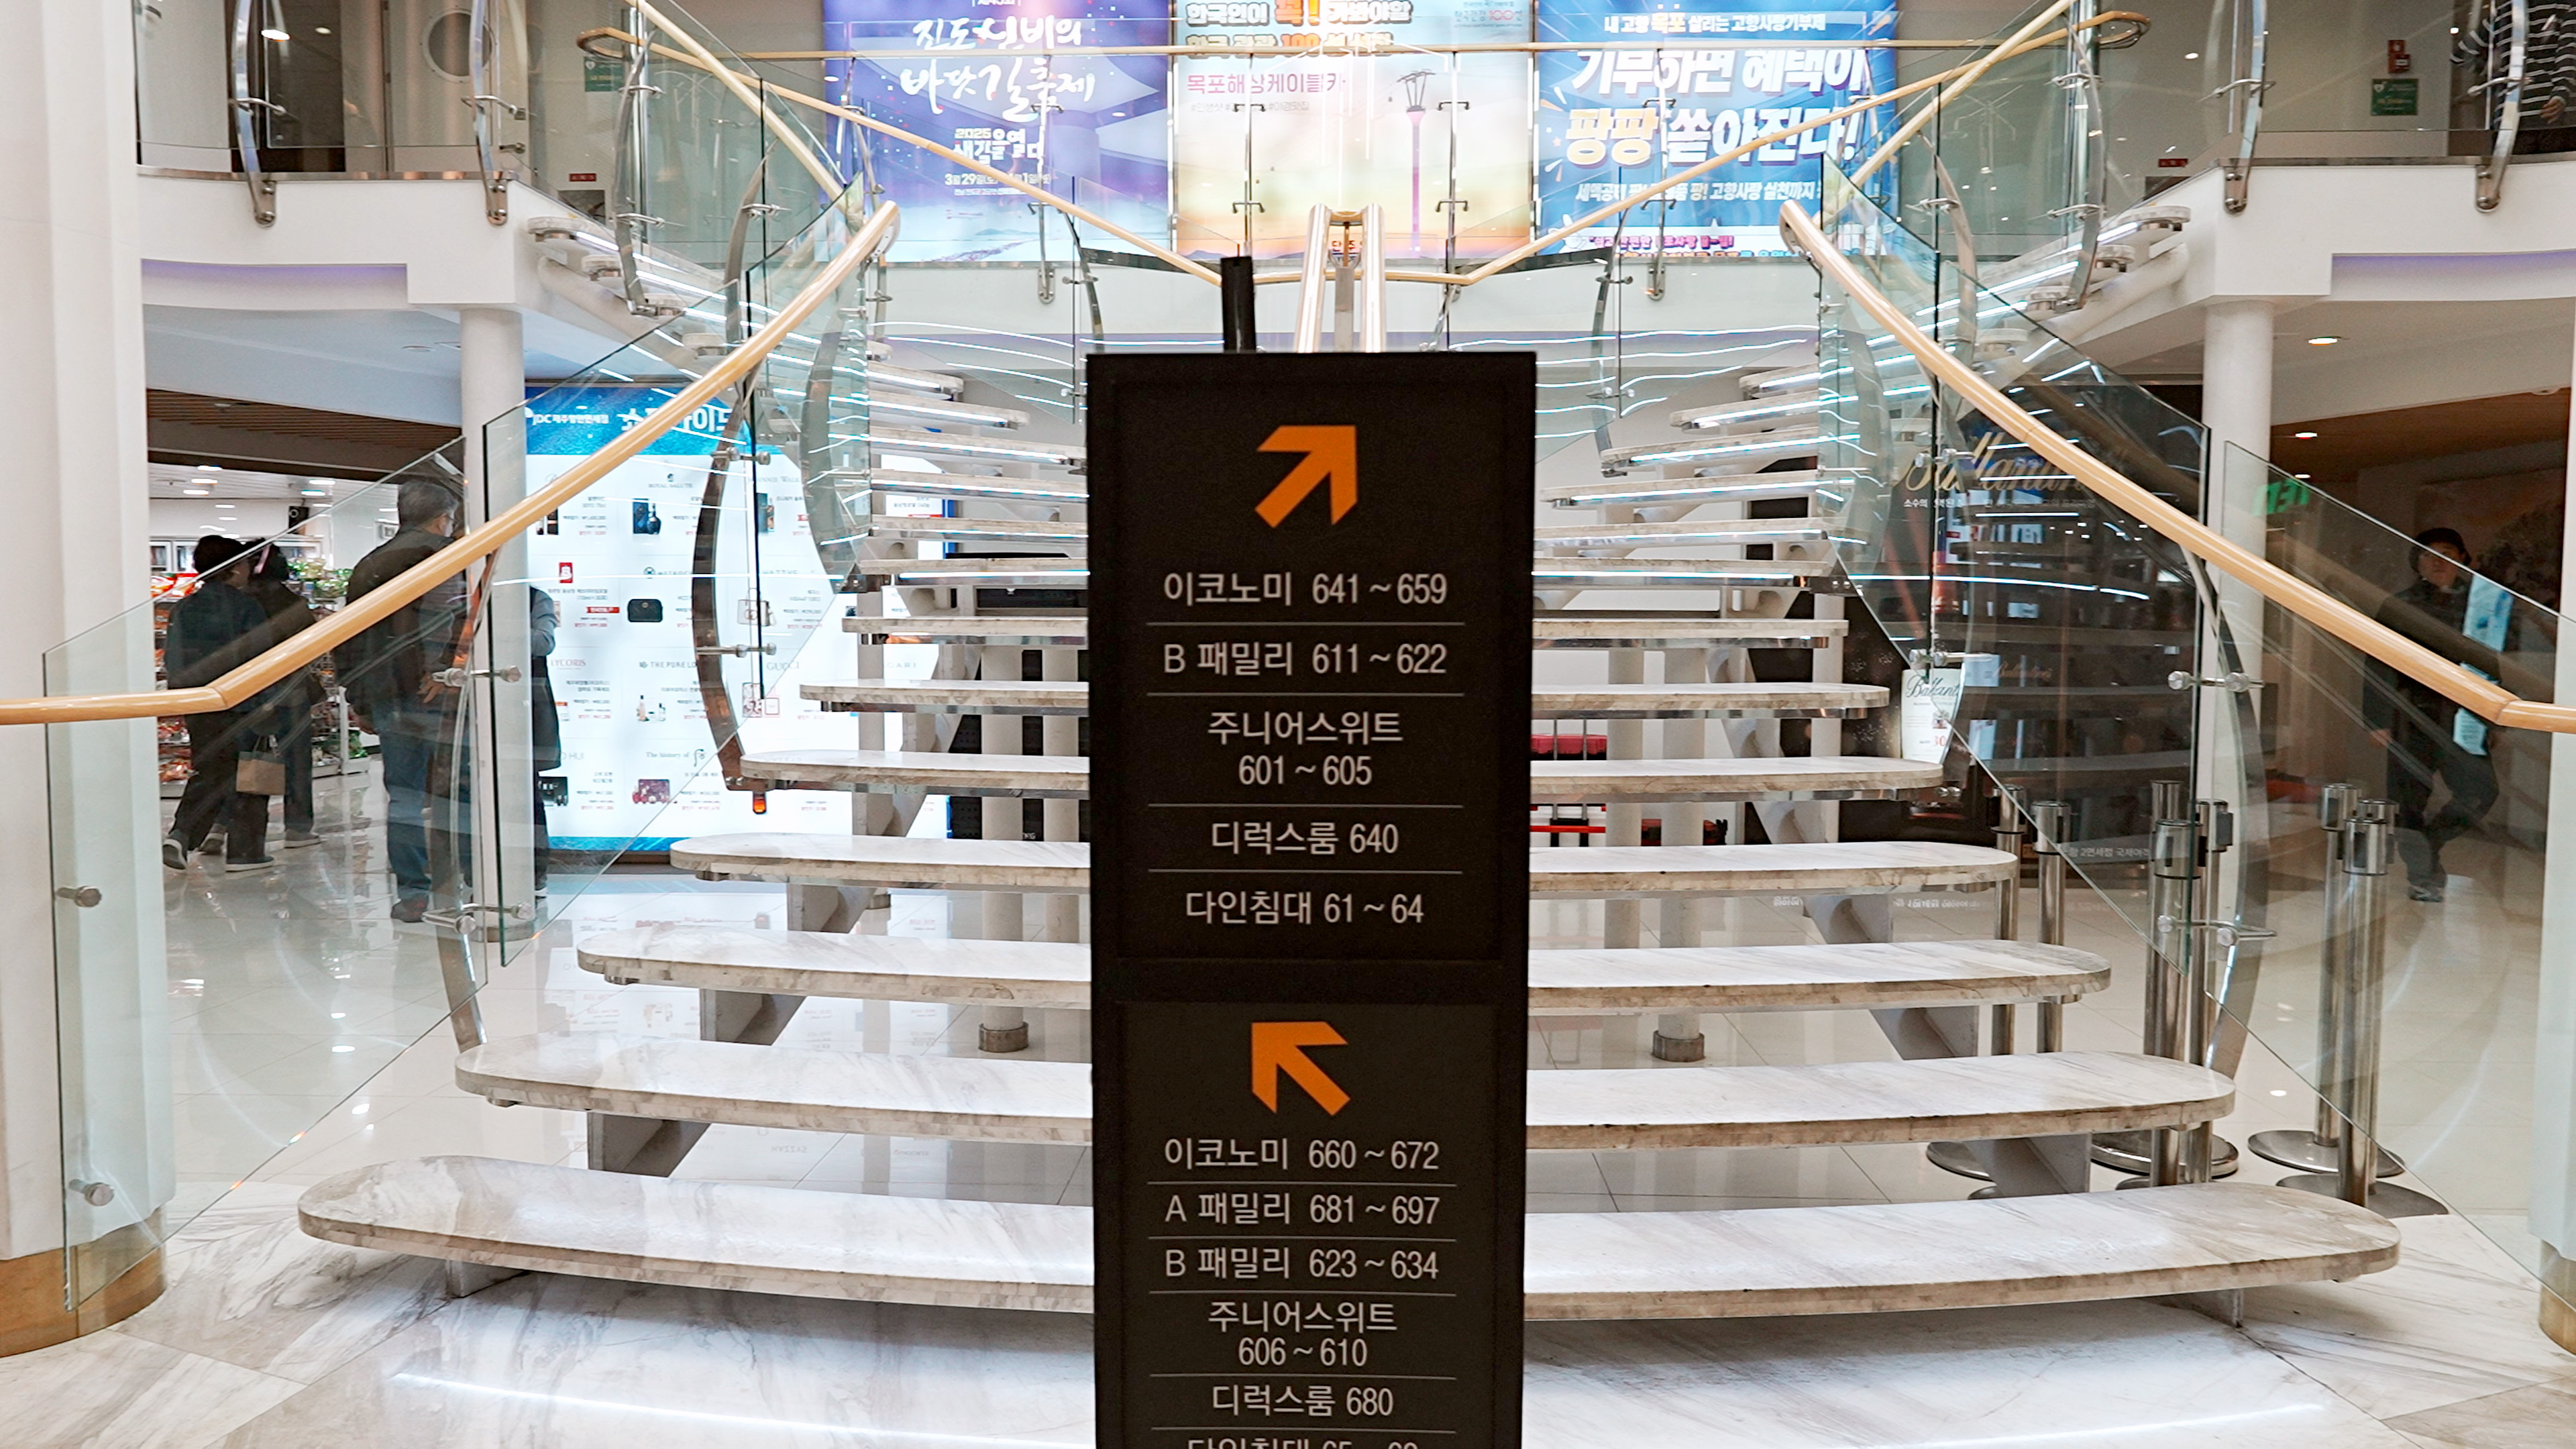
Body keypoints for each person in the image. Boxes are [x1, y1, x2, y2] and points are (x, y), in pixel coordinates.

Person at [340, 480, 470, 922]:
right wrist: (445, 672)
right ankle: (468, 881)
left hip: (387, 696)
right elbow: (458, 621)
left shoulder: (369, 565)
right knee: (459, 790)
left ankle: (413, 892)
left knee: (404, 797)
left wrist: (360, 697)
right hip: (441, 693)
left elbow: (348, 637)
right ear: (443, 519)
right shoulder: (448, 558)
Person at [2363, 527, 2504, 902]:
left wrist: (2493, 719)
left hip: (2463, 718)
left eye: (2447, 552)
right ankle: (2422, 876)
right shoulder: (2400, 605)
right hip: (2409, 716)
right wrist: (2377, 720)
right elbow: (2378, 662)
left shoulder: (2477, 606)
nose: (2438, 561)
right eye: (2428, 554)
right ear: (2417, 563)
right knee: (2409, 801)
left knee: (2481, 791)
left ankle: (2430, 842)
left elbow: (2488, 661)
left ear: (2463, 560)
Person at [163, 536, 286, 873]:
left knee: (211, 770)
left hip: (199, 703)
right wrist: (269, 703)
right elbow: (262, 659)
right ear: (234, 569)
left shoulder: (184, 608)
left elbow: (174, 660)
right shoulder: (247, 607)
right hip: (244, 704)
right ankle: (246, 851)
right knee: (253, 772)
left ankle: (182, 834)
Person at [244, 547, 322, 847]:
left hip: (246, 690)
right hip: (291, 690)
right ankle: (298, 827)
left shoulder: (240, 600)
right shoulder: (292, 603)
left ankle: (230, 828)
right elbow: (312, 645)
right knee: (297, 760)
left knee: (250, 757)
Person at [529, 585, 561, 892]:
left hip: (523, 714)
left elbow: (544, 642)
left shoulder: (533, 598)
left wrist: (490, 637)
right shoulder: (460, 597)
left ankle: (535, 874)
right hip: (465, 712)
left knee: (527, 795)